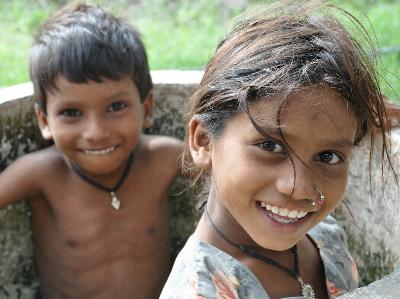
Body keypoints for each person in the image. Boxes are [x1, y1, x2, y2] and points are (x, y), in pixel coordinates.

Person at [160, 1, 394, 299]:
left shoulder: (323, 238)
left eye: (328, 156)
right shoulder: (199, 291)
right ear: (204, 140)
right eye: (270, 146)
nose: (299, 188)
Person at [0, 3, 182, 299]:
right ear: (45, 121)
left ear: (146, 109)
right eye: (71, 113)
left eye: (116, 107)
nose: (96, 132)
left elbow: (230, 176)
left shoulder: (163, 160)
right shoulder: (40, 175)